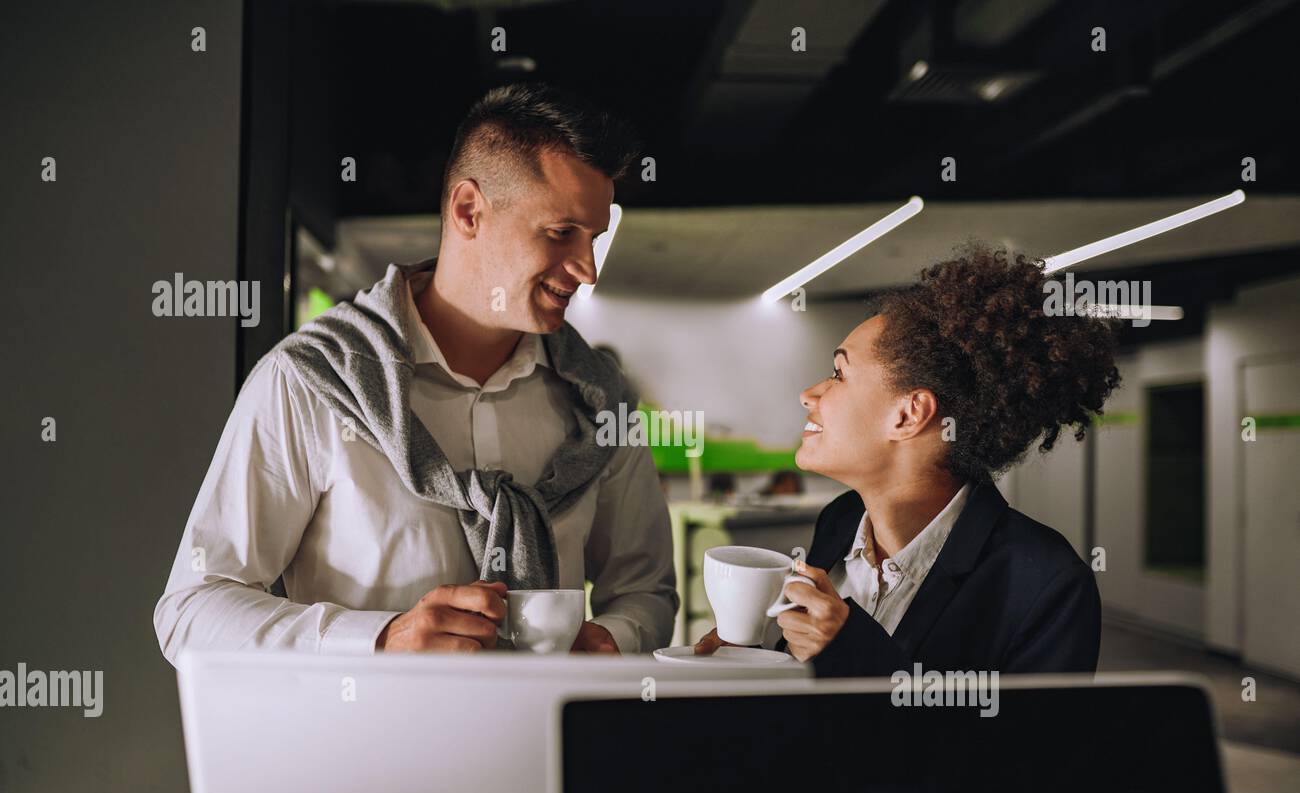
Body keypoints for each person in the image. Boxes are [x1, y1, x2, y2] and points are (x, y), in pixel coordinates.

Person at [155, 83, 677, 662]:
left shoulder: (600, 399)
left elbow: (643, 591)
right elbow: (191, 611)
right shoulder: (307, 382)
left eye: (594, 239)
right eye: (560, 234)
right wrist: (379, 638)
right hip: (369, 748)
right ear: (468, 211)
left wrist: (613, 637)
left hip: (543, 746)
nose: (586, 271)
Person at [698, 244, 1120, 676]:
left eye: (839, 374)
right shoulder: (841, 521)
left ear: (908, 414)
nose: (809, 394)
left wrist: (851, 652)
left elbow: (1022, 745)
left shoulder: (1047, 583)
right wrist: (751, 661)